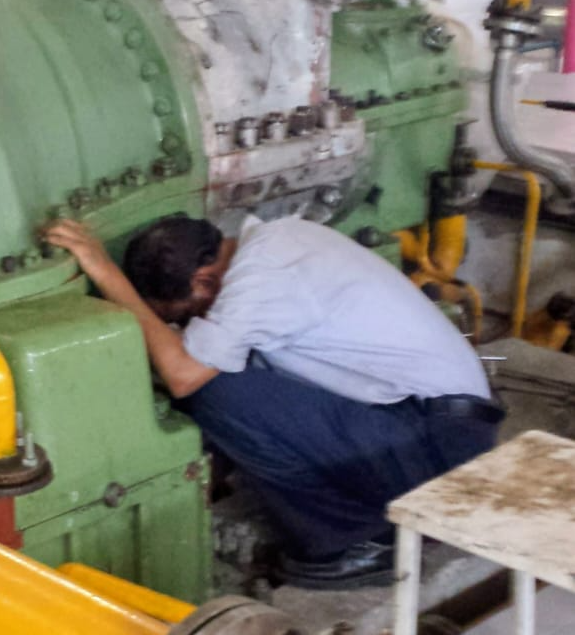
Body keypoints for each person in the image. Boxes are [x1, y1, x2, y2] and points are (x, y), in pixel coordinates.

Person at [44, 211, 503, 588]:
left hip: (438, 449)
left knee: (218, 392)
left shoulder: (261, 275)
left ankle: (358, 543)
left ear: (204, 283)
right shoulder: (279, 242)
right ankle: (363, 520)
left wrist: (107, 275)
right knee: (233, 372)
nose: (190, 324)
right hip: (436, 428)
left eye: (186, 315)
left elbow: (184, 377)